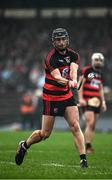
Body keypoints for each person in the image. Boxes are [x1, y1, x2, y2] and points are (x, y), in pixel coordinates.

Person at [15, 28, 88, 168]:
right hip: (51, 97)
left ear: (67, 39)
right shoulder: (50, 58)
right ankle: (24, 145)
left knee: (75, 126)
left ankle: (83, 160)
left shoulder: (74, 55)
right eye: (58, 40)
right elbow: (57, 77)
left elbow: (73, 70)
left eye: (63, 39)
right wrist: (69, 82)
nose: (61, 42)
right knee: (45, 134)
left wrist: (73, 80)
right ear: (53, 42)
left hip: (66, 96)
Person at [78, 52, 107, 153]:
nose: (98, 62)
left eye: (100, 60)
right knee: (90, 122)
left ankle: (88, 143)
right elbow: (80, 84)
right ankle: (88, 146)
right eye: (96, 60)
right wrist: (81, 99)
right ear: (92, 60)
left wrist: (103, 102)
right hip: (87, 101)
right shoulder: (87, 70)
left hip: (97, 102)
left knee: (93, 125)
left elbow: (101, 89)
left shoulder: (101, 74)